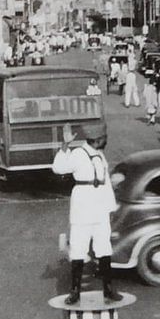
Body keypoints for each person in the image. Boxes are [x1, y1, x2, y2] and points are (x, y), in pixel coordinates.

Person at [51, 126, 121, 304]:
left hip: (99, 208)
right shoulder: (78, 154)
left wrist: (110, 208)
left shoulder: (99, 154)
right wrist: (65, 146)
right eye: (104, 138)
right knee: (78, 248)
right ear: (97, 139)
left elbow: (104, 182)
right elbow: (58, 168)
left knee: (104, 247)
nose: (106, 141)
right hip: (83, 207)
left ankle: (108, 289)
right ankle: (75, 292)